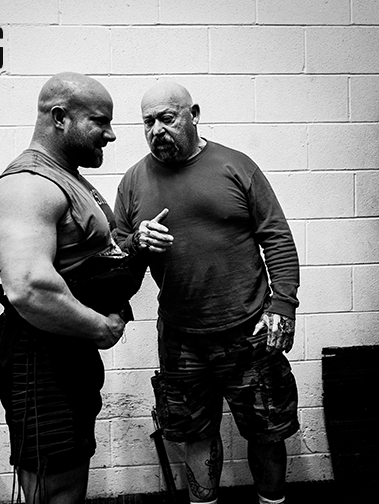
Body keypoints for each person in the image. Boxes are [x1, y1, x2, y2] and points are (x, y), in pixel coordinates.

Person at [114, 81, 300, 504]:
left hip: (248, 331)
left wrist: (283, 305)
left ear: (193, 114)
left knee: (267, 431)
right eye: (148, 122)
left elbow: (277, 238)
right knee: (193, 434)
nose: (157, 130)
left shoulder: (236, 166)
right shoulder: (134, 181)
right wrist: (136, 243)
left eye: (167, 118)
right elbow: (118, 260)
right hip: (181, 338)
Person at [0, 72, 131, 504]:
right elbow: (29, 289)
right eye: (100, 121)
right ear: (60, 118)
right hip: (40, 358)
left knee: (69, 480)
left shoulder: (65, 177)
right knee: (56, 491)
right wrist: (100, 328)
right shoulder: (27, 185)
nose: (110, 133)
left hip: (66, 352)